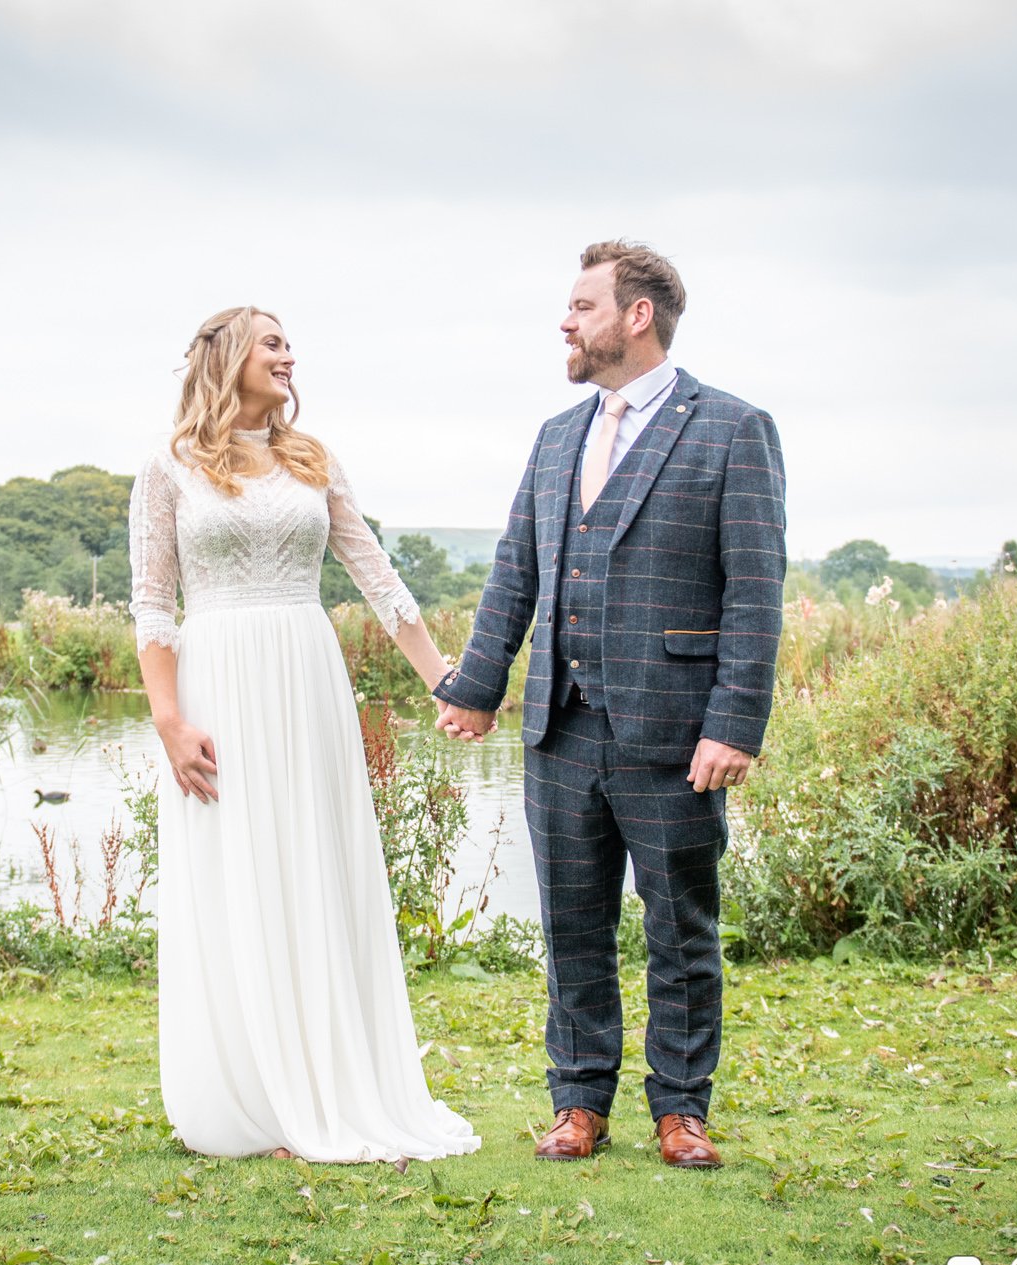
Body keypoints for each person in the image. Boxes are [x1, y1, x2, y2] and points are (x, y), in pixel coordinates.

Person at [433, 242, 786, 1169]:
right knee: (573, 926)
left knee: (680, 928)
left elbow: (755, 589)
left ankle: (681, 1108)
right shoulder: (556, 436)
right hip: (560, 725)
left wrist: (732, 721)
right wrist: (477, 685)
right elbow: (516, 570)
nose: (565, 320)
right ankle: (579, 1101)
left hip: (674, 732)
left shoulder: (732, 429)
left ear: (637, 316)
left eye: (581, 305)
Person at [128, 305, 481, 1164]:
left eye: (290, 344)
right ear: (227, 358)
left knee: (313, 865)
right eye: (273, 342)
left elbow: (376, 578)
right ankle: (254, 1094)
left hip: (305, 673)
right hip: (218, 680)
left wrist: (446, 679)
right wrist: (170, 722)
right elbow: (151, 603)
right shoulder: (169, 467)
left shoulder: (313, 459)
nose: (289, 355)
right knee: (238, 868)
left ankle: (330, 1083)